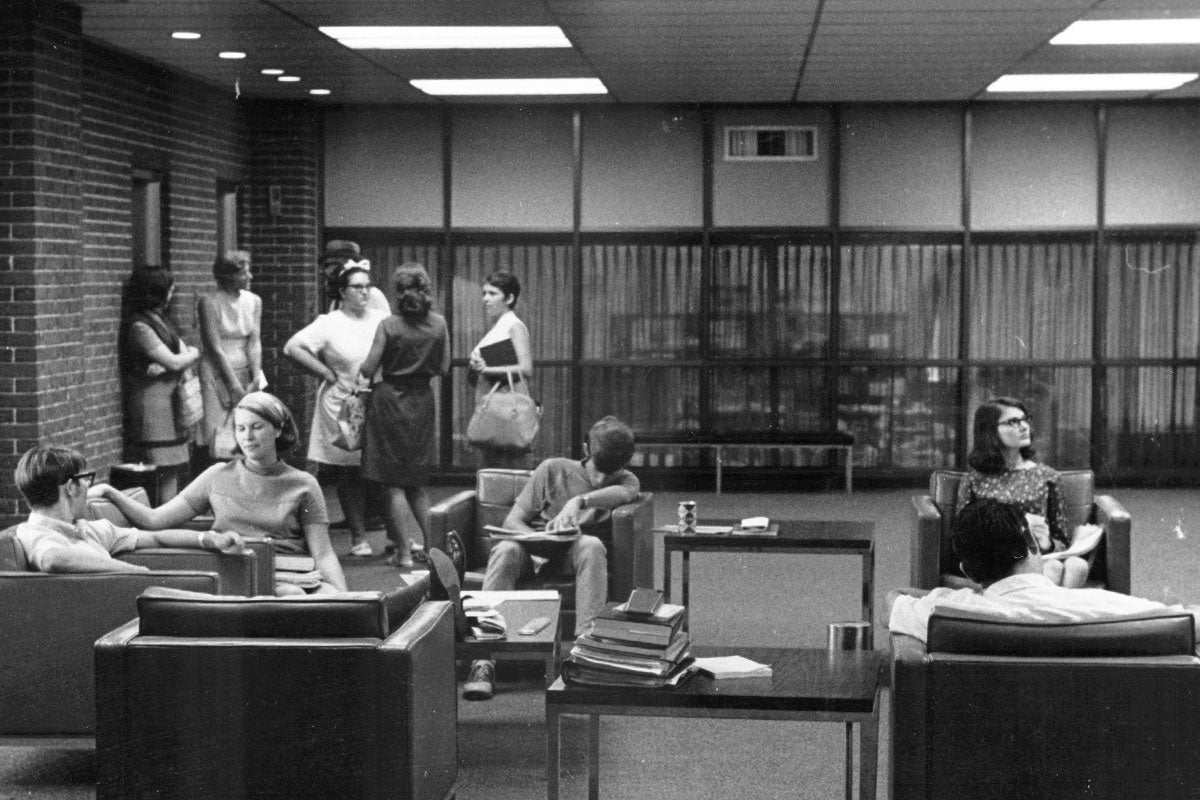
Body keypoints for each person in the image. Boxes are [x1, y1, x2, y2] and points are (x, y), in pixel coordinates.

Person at [90, 392, 348, 596]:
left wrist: (346, 598)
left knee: (322, 598)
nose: (247, 437)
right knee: (291, 597)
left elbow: (323, 553)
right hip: (235, 574)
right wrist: (111, 492)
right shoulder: (217, 476)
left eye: (257, 427)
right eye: (240, 428)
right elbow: (154, 520)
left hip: (292, 573)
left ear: (278, 429)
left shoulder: (304, 484)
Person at [463, 415, 639, 701]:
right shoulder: (553, 469)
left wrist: (578, 501)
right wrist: (537, 539)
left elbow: (623, 491)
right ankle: (483, 661)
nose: (599, 480)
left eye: (609, 472)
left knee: (592, 545)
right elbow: (513, 520)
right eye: (597, 469)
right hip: (531, 548)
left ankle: (586, 654)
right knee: (506, 550)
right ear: (585, 452)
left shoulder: (627, 481)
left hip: (571, 552)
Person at [889, 498, 1197, 643]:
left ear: (968, 572)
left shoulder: (943, 614)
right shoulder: (1106, 608)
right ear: (1034, 545)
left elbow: (892, 599)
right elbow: (1188, 623)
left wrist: (963, 592)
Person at [284, 261, 388, 557]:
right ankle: (358, 537)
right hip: (344, 402)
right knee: (349, 469)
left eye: (367, 286)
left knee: (380, 469)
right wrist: (326, 374)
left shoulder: (381, 319)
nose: (364, 292)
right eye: (357, 287)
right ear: (342, 291)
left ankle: (395, 535)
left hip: (378, 400)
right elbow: (293, 348)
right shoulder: (329, 322)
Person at [12, 444, 242, 574]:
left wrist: (207, 538)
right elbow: (53, 559)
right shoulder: (31, 533)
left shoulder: (88, 529)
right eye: (85, 479)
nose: (87, 487)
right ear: (71, 487)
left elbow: (156, 539)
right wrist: (131, 571)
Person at [358, 263, 450, 568]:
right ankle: (433, 547)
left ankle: (405, 553)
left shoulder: (388, 325)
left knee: (392, 482)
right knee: (416, 483)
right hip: (422, 401)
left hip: (390, 401)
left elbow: (368, 369)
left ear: (397, 292)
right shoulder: (439, 324)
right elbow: (445, 367)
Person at [955, 396, 1096, 589]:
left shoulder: (1048, 476)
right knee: (1053, 569)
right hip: (998, 561)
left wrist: (1047, 543)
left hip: (1041, 554)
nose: (1023, 427)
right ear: (989, 431)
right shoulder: (974, 479)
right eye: (1013, 422)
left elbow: (1061, 540)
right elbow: (963, 537)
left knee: (1077, 565)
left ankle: (1035, 616)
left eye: (1024, 420)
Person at [118, 266, 200, 502]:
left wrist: (180, 359)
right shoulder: (140, 326)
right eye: (169, 289)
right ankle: (155, 520)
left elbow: (176, 356)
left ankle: (166, 517)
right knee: (159, 464)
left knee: (171, 467)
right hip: (152, 405)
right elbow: (175, 360)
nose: (172, 293)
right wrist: (191, 355)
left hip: (168, 401)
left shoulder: (161, 320)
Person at [197, 250, 265, 458]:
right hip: (217, 371)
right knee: (218, 433)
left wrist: (255, 377)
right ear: (229, 276)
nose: (250, 277)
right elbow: (214, 347)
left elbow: (254, 341)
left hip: (246, 368)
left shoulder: (254, 301)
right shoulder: (209, 302)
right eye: (245, 273)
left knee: (251, 428)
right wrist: (233, 385)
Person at [468, 269, 534, 468]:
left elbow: (526, 368)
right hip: (494, 410)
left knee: (506, 470)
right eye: (484, 293)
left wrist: (486, 369)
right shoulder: (498, 327)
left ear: (509, 297)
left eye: (492, 293)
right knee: (492, 469)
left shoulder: (514, 326)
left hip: (505, 410)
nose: (486, 299)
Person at [321, 239, 390, 316]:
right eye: (326, 266)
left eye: (333, 264)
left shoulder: (371, 295)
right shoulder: (336, 302)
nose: (327, 271)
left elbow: (385, 326)